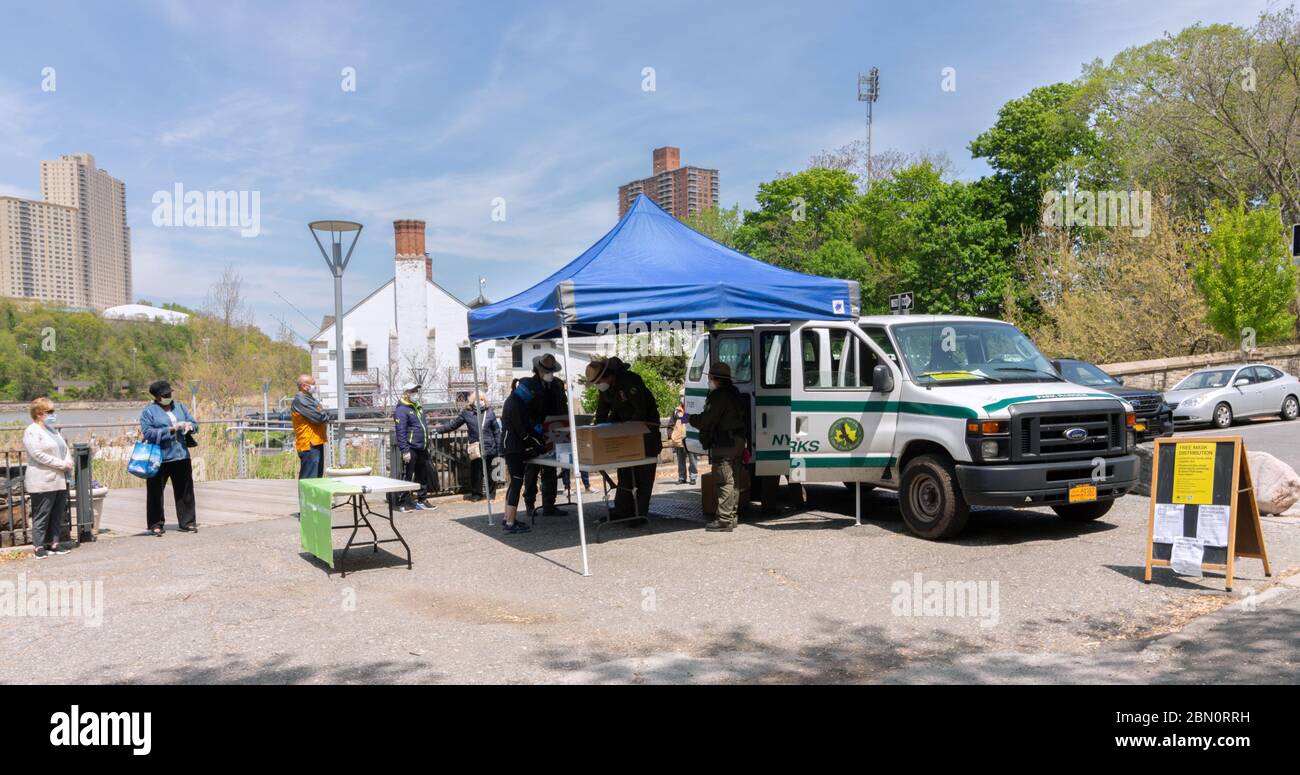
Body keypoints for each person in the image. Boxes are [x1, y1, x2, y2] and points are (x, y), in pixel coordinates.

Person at [586, 357, 661, 523]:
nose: (598, 385)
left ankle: (639, 514)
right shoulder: (606, 389)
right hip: (626, 435)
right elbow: (601, 413)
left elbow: (640, 411)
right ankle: (621, 510)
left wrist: (625, 430)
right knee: (625, 474)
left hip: (646, 433)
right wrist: (598, 432)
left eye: (599, 381)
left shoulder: (631, 381)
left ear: (608, 375)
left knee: (643, 477)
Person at [688, 363, 749, 532]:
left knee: (724, 481)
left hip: (724, 443)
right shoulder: (735, 393)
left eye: (710, 378)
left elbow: (707, 420)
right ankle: (732, 516)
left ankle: (724, 520)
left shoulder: (718, 396)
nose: (709, 381)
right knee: (734, 480)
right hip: (738, 441)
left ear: (715, 378)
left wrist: (690, 418)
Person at [140, 380, 199, 536]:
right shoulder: (149, 412)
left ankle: (187, 522)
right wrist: (172, 429)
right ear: (157, 396)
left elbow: (194, 424)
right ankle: (155, 524)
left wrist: (189, 426)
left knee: (185, 491)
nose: (168, 396)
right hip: (159, 457)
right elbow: (148, 433)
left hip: (181, 455)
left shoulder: (179, 407)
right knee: (155, 492)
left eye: (169, 393)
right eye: (165, 395)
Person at [23, 397, 73, 558]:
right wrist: (61, 464)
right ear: (39, 413)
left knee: (57, 513)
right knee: (42, 514)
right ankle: (39, 546)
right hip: (42, 479)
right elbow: (37, 454)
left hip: (59, 478)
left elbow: (65, 449)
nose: (53, 414)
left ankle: (54, 543)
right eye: (49, 411)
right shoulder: (31, 431)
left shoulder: (52, 430)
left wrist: (68, 461)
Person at [520, 354, 567, 517]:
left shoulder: (557, 385)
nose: (549, 374)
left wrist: (564, 425)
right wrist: (532, 428)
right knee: (532, 470)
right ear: (538, 370)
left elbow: (563, 406)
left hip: (554, 430)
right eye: (546, 371)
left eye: (551, 371)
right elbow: (523, 409)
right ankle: (529, 503)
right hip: (534, 432)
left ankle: (549, 504)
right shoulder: (528, 384)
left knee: (550, 469)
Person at [434, 391, 501, 502]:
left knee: (491, 472)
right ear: (472, 401)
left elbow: (496, 431)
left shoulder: (489, 412)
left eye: (482, 399)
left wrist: (499, 447)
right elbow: (454, 424)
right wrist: (439, 430)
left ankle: (491, 495)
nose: (480, 401)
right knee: (476, 472)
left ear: (484, 400)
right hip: (475, 447)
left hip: (490, 446)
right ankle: (477, 494)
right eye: (477, 399)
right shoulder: (467, 413)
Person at [498, 378, 540, 534]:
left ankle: (507, 518)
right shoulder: (514, 403)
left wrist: (537, 434)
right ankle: (510, 522)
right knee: (516, 483)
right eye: (532, 393)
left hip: (512, 447)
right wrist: (534, 442)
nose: (533, 396)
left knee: (513, 484)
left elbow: (526, 426)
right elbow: (521, 430)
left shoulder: (515, 401)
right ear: (526, 390)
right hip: (513, 448)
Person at [393, 382, 437, 512]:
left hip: (421, 447)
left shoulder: (417, 406)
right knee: (407, 476)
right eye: (412, 391)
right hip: (410, 447)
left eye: (416, 391)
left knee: (422, 475)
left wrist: (426, 444)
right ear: (406, 393)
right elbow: (400, 431)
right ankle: (403, 502)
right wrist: (404, 450)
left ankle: (422, 500)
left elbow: (422, 427)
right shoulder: (401, 410)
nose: (415, 393)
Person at [291, 374, 328, 480]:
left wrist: (324, 413)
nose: (315, 387)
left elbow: (322, 413)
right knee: (309, 478)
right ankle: (304, 492)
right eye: (313, 384)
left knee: (317, 477)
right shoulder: (301, 400)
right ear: (304, 386)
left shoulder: (309, 399)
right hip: (308, 444)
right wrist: (325, 414)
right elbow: (318, 417)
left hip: (316, 441)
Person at [669, 391, 698, 485]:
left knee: (692, 460)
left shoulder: (693, 409)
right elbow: (671, 424)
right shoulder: (676, 411)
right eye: (681, 396)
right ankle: (682, 478)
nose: (682, 398)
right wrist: (671, 435)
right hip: (678, 440)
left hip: (690, 439)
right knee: (680, 460)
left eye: (684, 396)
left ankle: (693, 477)